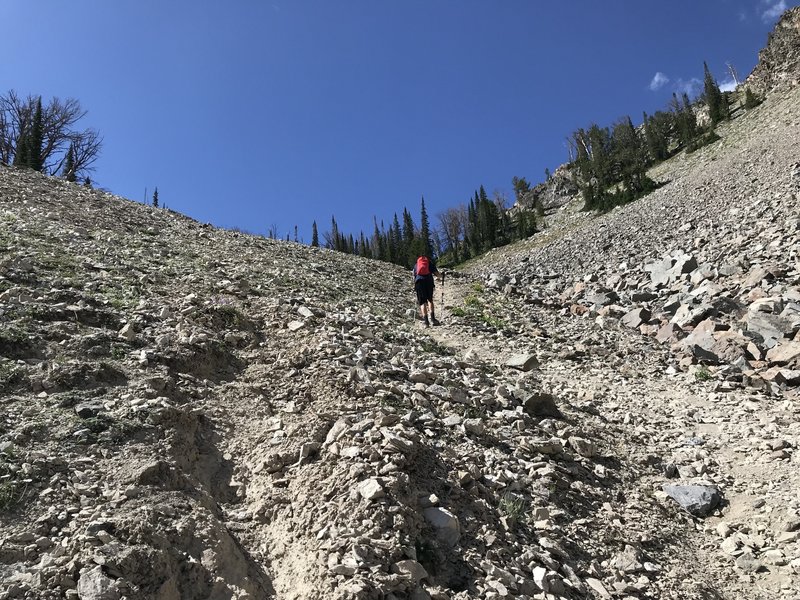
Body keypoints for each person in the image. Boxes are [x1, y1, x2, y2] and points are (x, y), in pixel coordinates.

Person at [412, 255, 441, 327]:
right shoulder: (430, 263)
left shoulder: (416, 265)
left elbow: (414, 277)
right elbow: (437, 274)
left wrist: (414, 286)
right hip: (428, 282)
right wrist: (441, 276)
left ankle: (426, 322)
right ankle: (433, 319)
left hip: (419, 282)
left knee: (422, 303)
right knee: (430, 300)